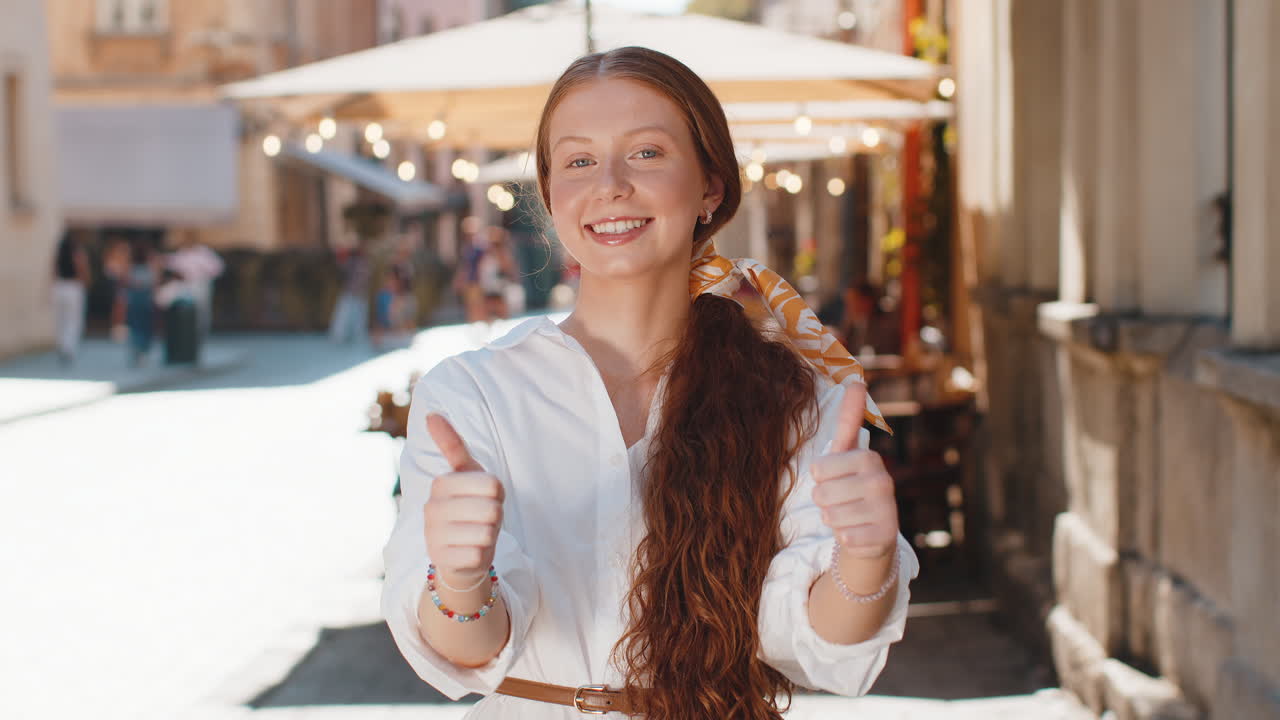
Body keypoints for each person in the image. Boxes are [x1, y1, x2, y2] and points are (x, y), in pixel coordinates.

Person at [382, 47, 917, 720]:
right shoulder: (470, 398)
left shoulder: (798, 399)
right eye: (579, 161)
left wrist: (864, 558)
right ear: (551, 196)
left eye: (646, 153)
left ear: (710, 188)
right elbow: (464, 653)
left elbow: (815, 636)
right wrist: (459, 581)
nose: (609, 185)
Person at [166, 230, 224, 340]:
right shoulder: (183, 252)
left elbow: (217, 268)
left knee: (201, 311)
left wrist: (204, 273)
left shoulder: (203, 252)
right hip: (185, 285)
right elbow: (173, 263)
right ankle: (185, 332)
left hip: (201, 284)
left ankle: (200, 334)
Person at [51, 231, 90, 365]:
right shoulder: (76, 252)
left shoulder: (59, 253)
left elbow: (53, 270)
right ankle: (69, 348)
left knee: (61, 320)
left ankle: (62, 346)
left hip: (59, 286)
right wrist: (84, 281)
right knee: (73, 320)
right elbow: (82, 268)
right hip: (73, 287)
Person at [123, 242, 157, 367]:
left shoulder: (132, 268)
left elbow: (127, 281)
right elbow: (153, 283)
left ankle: (137, 351)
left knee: (136, 326)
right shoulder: (148, 268)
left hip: (136, 299)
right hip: (144, 299)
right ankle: (142, 352)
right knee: (143, 326)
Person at [329, 244, 370, 344]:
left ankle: (352, 337)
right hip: (352, 294)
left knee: (355, 320)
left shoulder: (360, 263)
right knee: (344, 319)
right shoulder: (354, 263)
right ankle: (342, 337)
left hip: (357, 295)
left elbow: (363, 279)